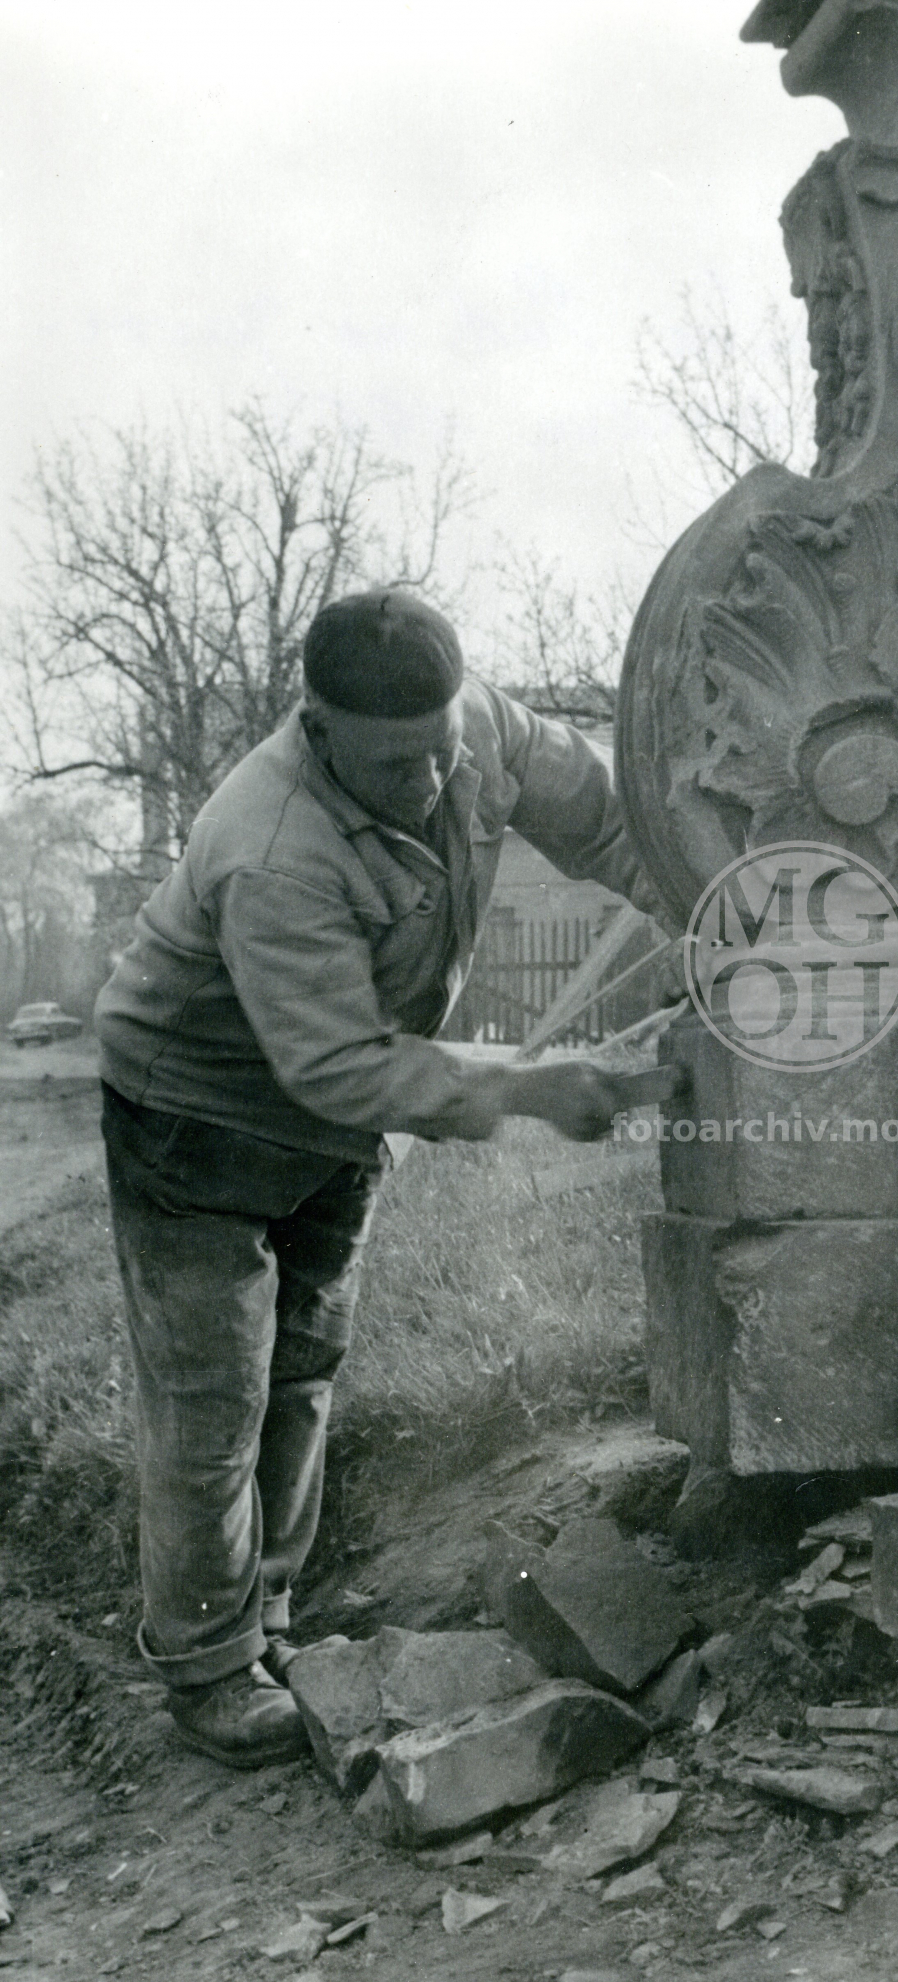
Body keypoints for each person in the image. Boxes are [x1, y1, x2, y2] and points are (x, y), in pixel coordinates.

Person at [95, 587, 661, 1767]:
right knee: (214, 1394)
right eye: (393, 762)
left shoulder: (484, 730)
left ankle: (275, 1618)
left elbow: (609, 823)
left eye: (439, 751)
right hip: (193, 1108)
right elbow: (338, 1064)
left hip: (342, 1105)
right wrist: (531, 1084)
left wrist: (695, 896)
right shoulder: (271, 843)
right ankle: (205, 1669)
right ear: (317, 722)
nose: (425, 782)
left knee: (304, 1364)